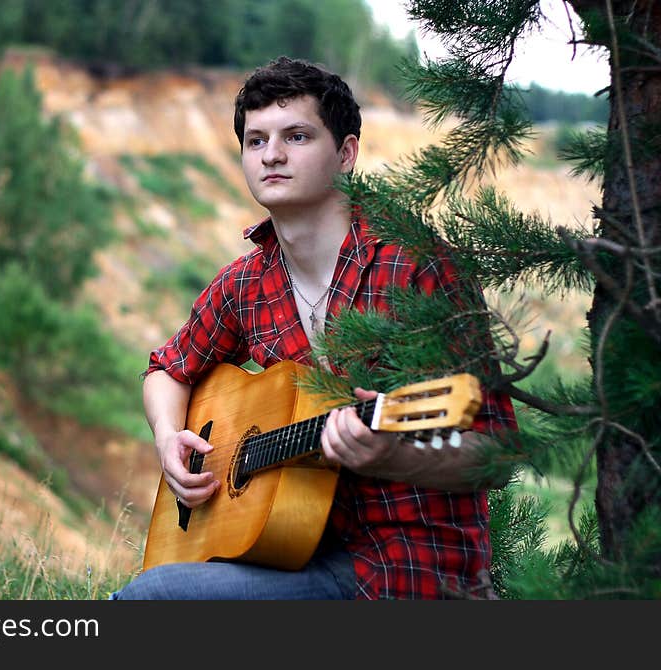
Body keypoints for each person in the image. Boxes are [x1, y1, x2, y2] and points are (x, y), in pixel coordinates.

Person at [112, 56, 518, 600]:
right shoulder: (247, 281)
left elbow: (496, 449)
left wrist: (392, 455)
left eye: (297, 136)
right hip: (290, 553)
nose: (272, 155)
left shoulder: (415, 268)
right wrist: (169, 440)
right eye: (255, 141)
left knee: (153, 598)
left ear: (346, 154)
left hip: (407, 567)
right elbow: (167, 369)